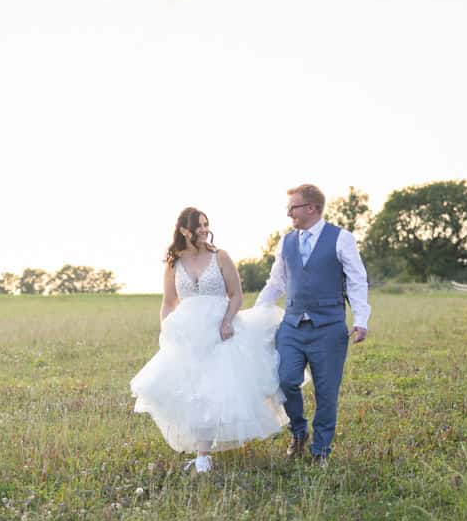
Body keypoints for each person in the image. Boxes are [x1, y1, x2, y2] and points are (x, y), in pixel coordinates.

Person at [131, 207, 288, 473]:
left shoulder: (220, 257)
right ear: (184, 230)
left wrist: (227, 321)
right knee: (194, 391)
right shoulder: (174, 263)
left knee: (216, 387)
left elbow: (236, 294)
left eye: (206, 224)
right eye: (198, 226)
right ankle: (202, 452)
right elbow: (169, 302)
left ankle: (203, 457)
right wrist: (167, 330)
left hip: (220, 330)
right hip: (188, 333)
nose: (204, 229)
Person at [254, 184, 370, 463]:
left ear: (311, 208)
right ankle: (298, 430)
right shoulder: (286, 242)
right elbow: (277, 282)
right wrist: (256, 311)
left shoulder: (342, 238)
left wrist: (361, 318)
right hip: (292, 326)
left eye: (292, 207)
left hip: (329, 329)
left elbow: (356, 280)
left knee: (326, 392)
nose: (288, 213)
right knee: (284, 380)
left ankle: (321, 451)